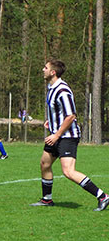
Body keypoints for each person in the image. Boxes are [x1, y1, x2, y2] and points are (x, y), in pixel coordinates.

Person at [30, 59, 109, 211]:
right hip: (56, 134)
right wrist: (50, 122)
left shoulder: (62, 90)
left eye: (45, 67)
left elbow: (71, 115)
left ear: (53, 72)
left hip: (67, 136)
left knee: (68, 171)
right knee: (44, 164)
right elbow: (58, 112)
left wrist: (56, 134)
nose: (42, 70)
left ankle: (102, 196)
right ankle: (47, 200)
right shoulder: (51, 87)